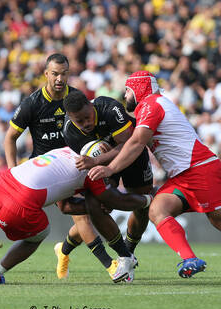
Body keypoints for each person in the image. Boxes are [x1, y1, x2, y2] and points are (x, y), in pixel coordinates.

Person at [0, 146, 153, 286]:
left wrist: (91, 207)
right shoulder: (90, 171)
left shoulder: (62, 150)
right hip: (18, 203)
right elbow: (115, 200)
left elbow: (66, 206)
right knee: (39, 234)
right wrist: (148, 199)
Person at [88, 70, 221, 278]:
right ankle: (189, 259)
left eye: (128, 91)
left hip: (200, 169)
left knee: (218, 219)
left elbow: (137, 141)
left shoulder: (152, 103)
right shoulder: (150, 106)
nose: (125, 96)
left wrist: (111, 168)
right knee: (157, 209)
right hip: (184, 176)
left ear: (139, 89)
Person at [4, 53, 117, 280]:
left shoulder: (77, 98)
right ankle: (112, 265)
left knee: (99, 210)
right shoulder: (32, 103)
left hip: (80, 163)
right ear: (46, 73)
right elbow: (9, 138)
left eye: (64, 74)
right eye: (55, 73)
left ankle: (63, 249)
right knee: (84, 216)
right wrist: (12, 172)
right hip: (50, 170)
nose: (59, 78)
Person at [56, 90, 153, 279]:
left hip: (133, 156)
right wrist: (100, 165)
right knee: (96, 205)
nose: (86, 124)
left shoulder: (110, 108)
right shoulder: (70, 132)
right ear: (70, 117)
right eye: (80, 121)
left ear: (91, 106)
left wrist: (97, 159)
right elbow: (87, 161)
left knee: (142, 209)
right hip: (104, 165)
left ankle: (129, 250)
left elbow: (129, 144)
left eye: (87, 117)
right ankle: (125, 256)